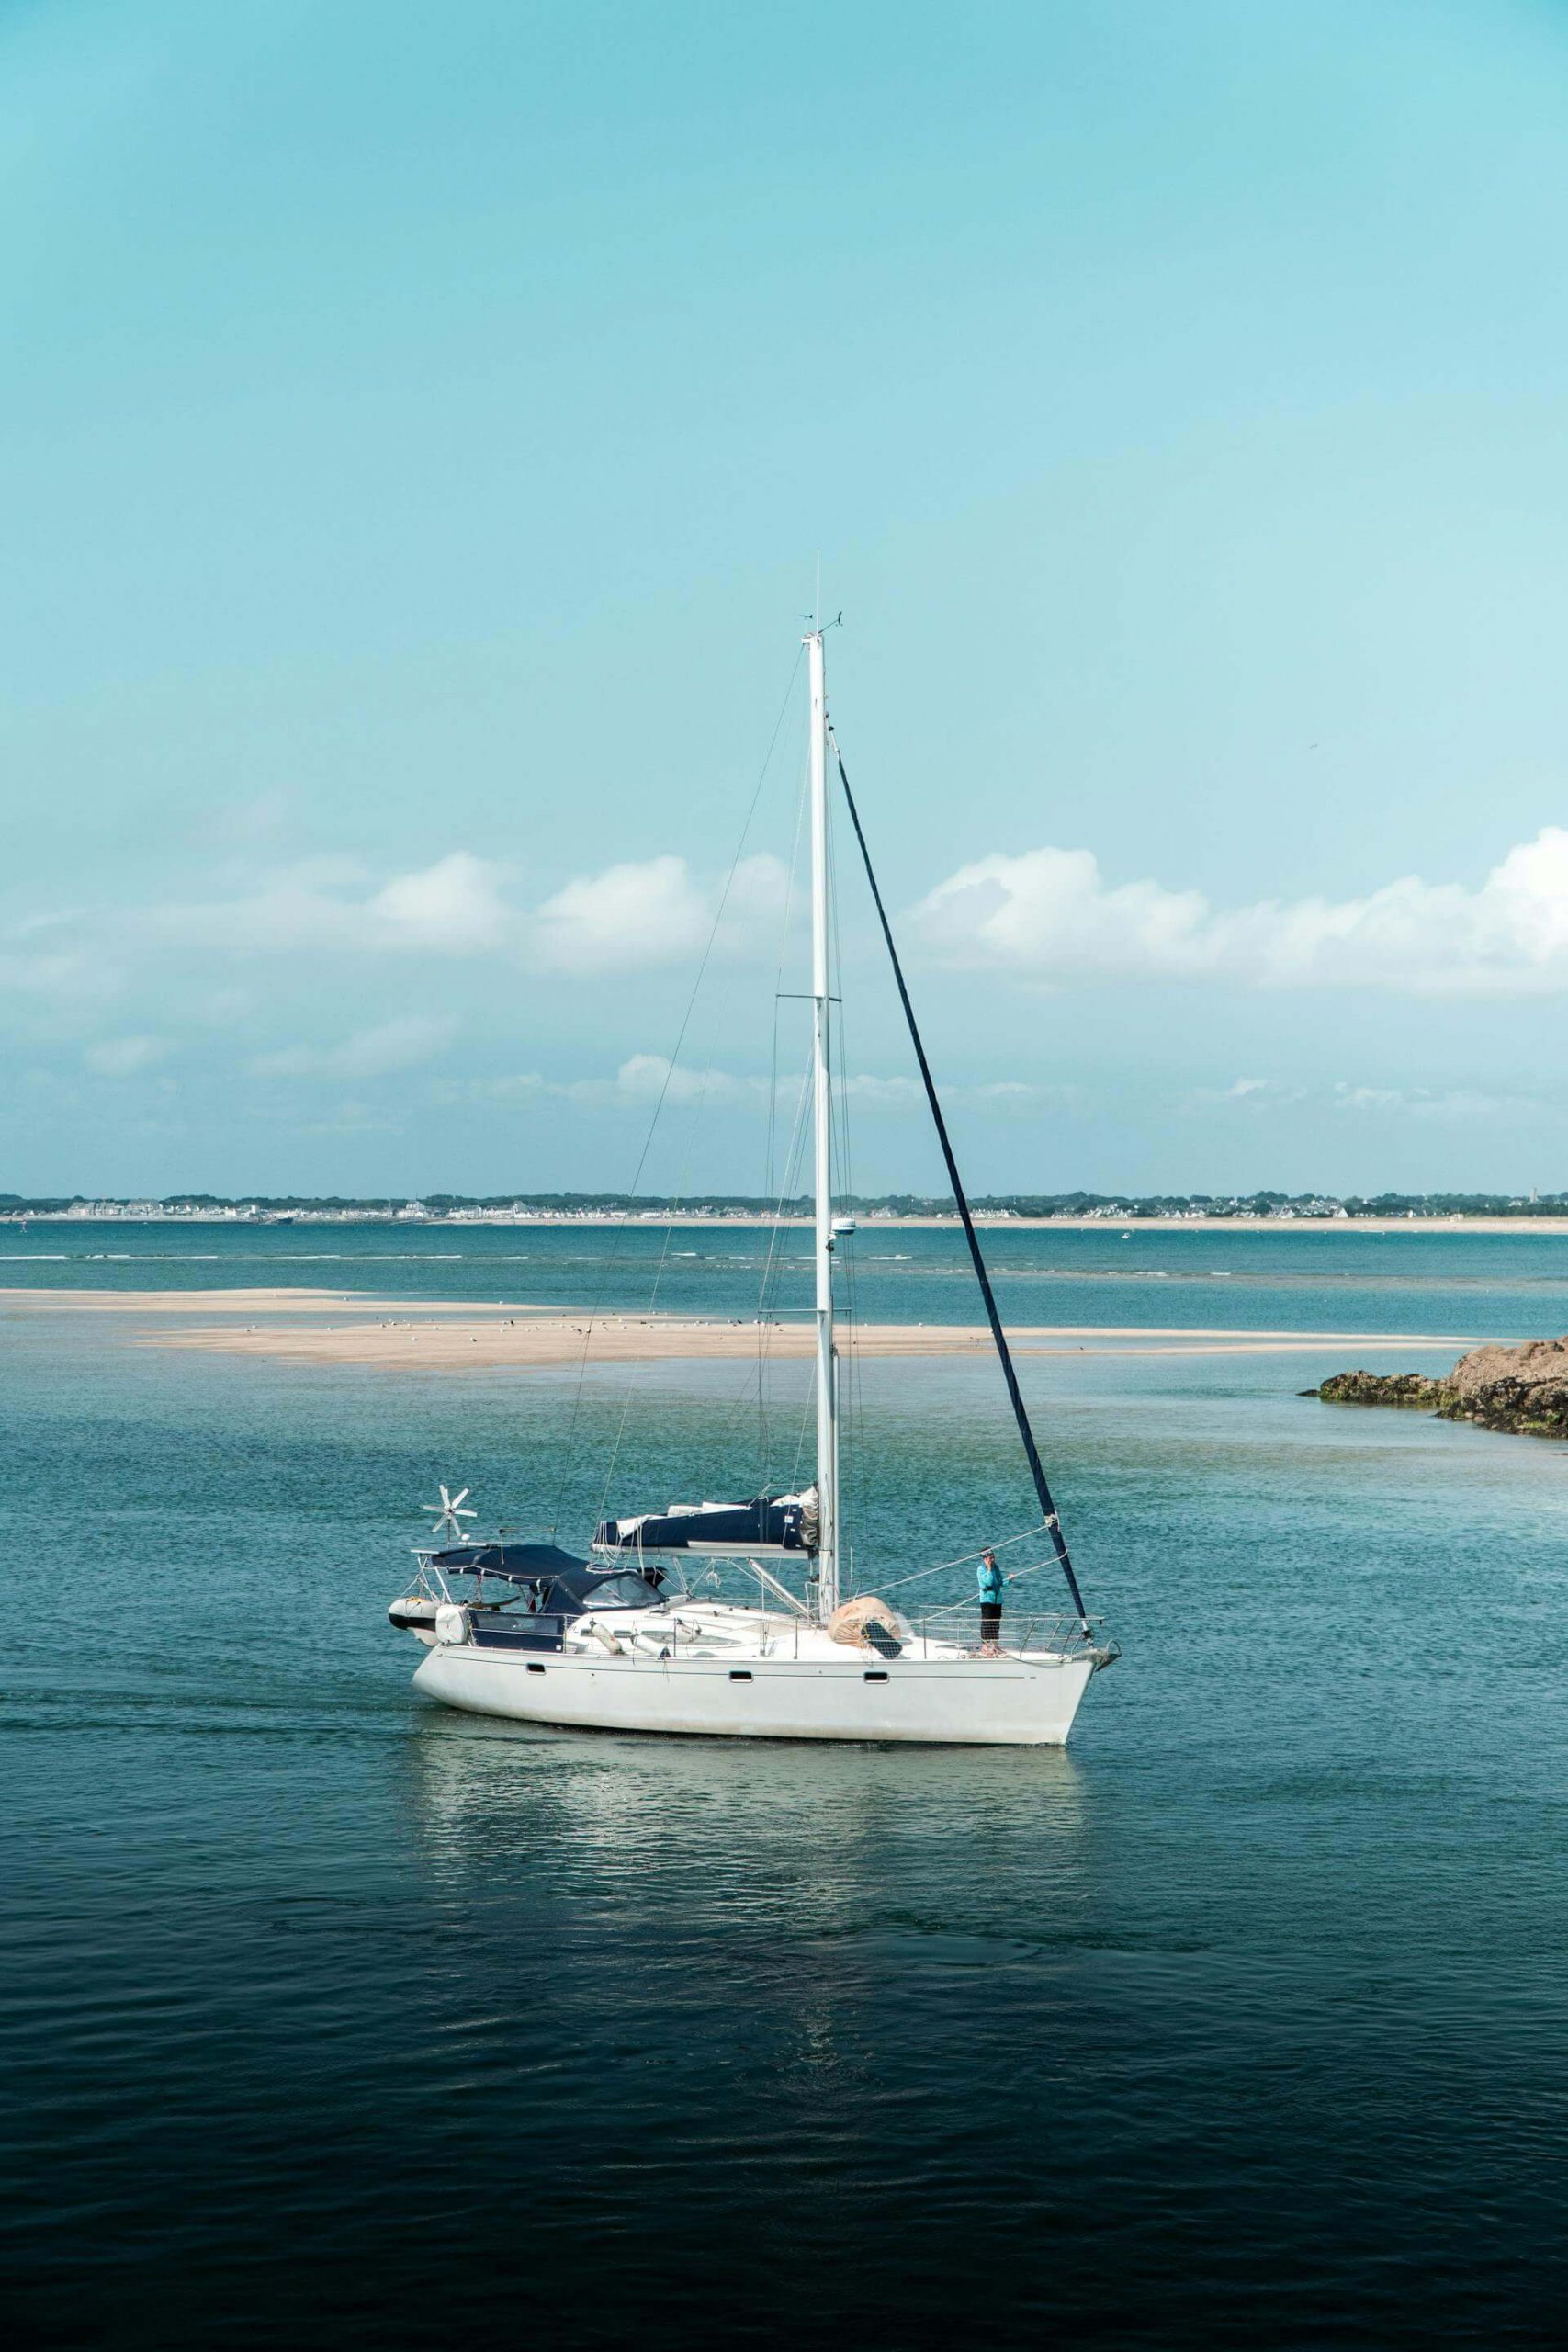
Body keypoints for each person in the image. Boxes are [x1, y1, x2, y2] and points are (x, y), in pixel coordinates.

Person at [976, 1548, 1004, 1655]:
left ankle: (995, 1646)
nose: (993, 1559)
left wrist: (1009, 1580)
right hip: (986, 1599)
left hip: (997, 1599)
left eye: (993, 1557)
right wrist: (988, 1569)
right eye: (990, 1558)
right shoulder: (981, 1569)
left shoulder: (996, 1568)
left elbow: (1000, 1582)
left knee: (996, 1623)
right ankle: (985, 1646)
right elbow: (988, 1582)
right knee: (987, 1622)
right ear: (985, 1558)